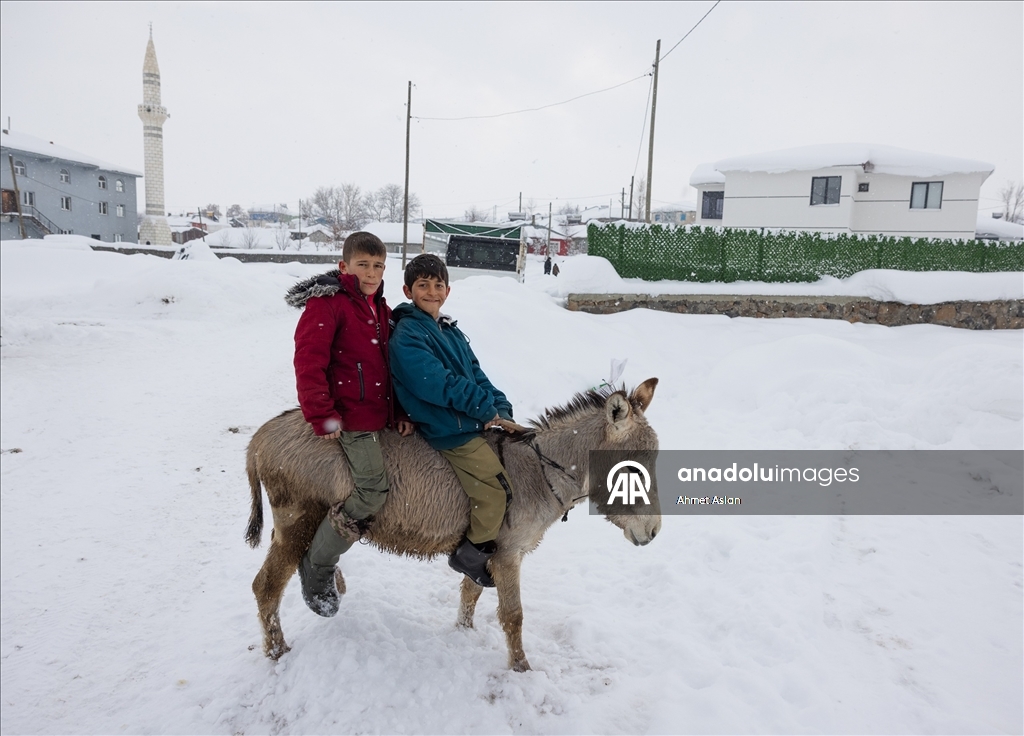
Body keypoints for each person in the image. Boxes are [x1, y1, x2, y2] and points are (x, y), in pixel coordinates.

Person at [287, 231, 413, 617]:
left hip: (379, 415)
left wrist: (400, 413)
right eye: (363, 265)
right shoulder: (329, 305)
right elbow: (309, 362)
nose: (371, 273)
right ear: (344, 266)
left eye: (378, 266)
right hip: (352, 418)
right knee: (372, 491)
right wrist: (323, 417)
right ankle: (317, 567)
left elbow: (389, 369)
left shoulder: (379, 306)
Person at [389, 254, 514, 588]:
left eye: (438, 285)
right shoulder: (407, 334)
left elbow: (476, 375)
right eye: (423, 285)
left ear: (448, 289)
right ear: (408, 290)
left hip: (469, 420)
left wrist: (501, 407)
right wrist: (484, 411)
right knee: (496, 492)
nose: (432, 291)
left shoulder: (449, 330)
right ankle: (470, 556)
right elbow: (436, 383)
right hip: (448, 428)